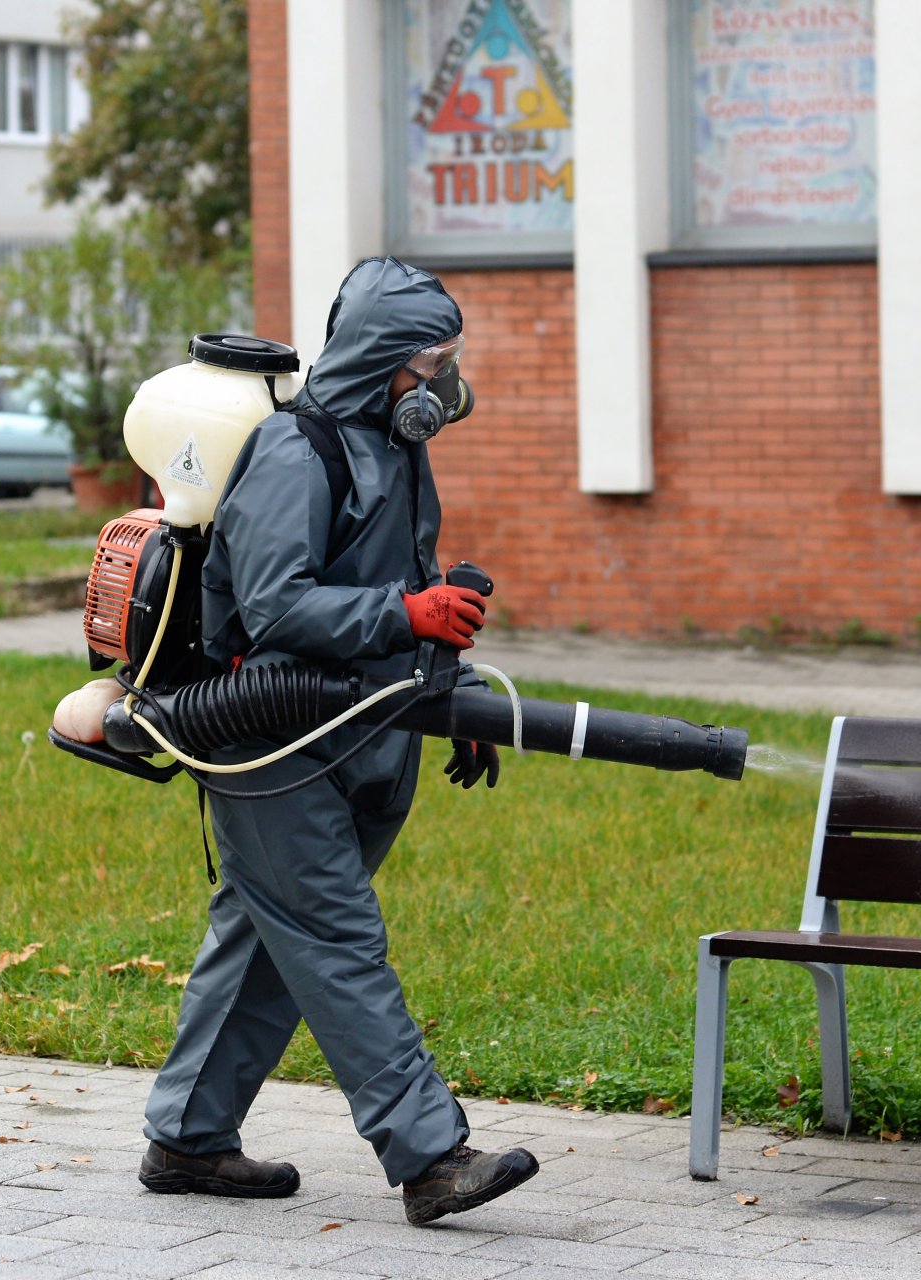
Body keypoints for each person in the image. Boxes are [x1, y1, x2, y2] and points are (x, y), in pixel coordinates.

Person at [134, 257, 537, 1226]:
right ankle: (430, 1155)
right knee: (337, 941)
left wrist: (458, 702)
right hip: (272, 745)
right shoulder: (294, 451)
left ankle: (187, 1137)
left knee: (265, 944)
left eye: (449, 361)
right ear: (380, 358)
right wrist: (407, 613)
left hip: (363, 736)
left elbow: (412, 591)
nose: (444, 382)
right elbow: (277, 607)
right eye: (430, 362)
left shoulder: (397, 450)